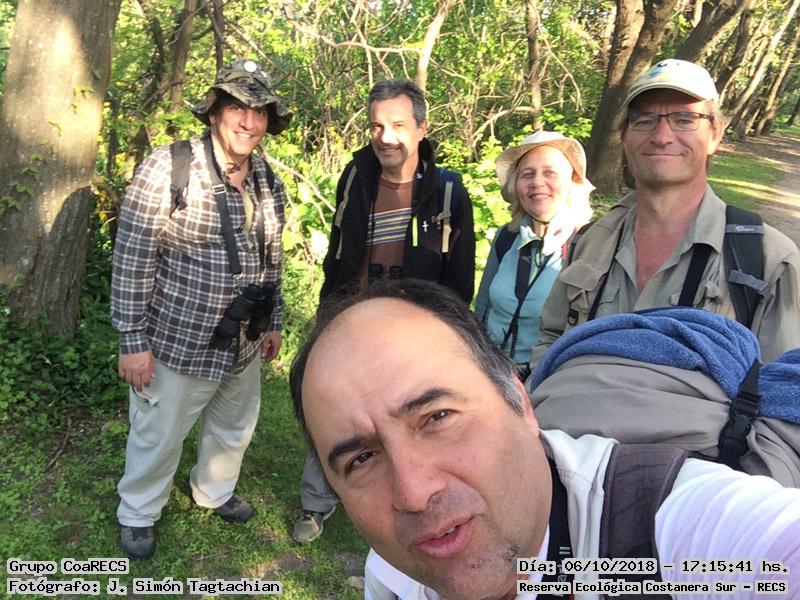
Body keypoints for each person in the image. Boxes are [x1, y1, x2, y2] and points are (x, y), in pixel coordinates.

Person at [289, 278, 800, 600]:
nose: (414, 493)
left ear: (519, 401)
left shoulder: (677, 524)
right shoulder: (394, 574)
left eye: (438, 417)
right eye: (361, 459)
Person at [111, 58, 290, 559]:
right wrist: (132, 341)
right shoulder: (169, 166)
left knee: (234, 425)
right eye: (237, 108)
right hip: (177, 340)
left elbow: (272, 256)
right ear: (214, 113)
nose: (248, 121)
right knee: (158, 433)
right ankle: (138, 512)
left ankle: (214, 490)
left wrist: (273, 321)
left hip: (244, 339)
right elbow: (132, 257)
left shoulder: (267, 179)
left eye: (259, 112)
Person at [292, 78, 476, 543]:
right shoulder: (356, 178)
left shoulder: (447, 191)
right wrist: (327, 312)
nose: (386, 137)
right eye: (377, 126)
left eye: (398, 125)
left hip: (414, 332)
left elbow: (460, 273)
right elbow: (338, 251)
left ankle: (409, 499)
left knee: (411, 418)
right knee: (336, 408)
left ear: (421, 129)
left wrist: (449, 333)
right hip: (350, 319)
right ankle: (316, 502)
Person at [532, 59, 800, 369]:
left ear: (715, 133)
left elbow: (782, 386)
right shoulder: (590, 242)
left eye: (684, 119)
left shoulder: (767, 260)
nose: (661, 136)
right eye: (644, 119)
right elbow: (550, 339)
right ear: (625, 136)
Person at [475, 131, 593, 371]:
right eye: (527, 174)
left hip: (549, 378)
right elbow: (483, 307)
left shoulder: (588, 244)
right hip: (494, 373)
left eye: (550, 173)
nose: (537, 182)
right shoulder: (507, 237)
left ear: (571, 182)